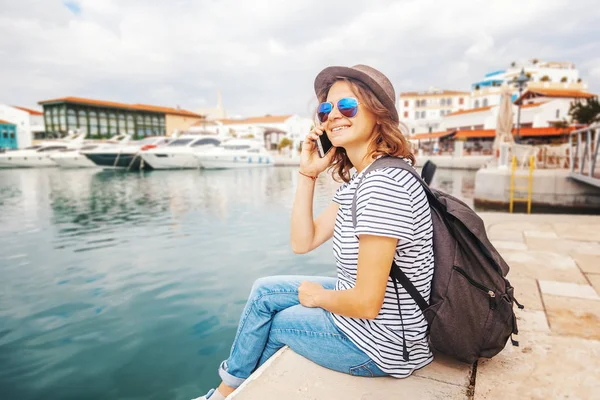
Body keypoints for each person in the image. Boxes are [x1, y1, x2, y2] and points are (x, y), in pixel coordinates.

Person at [193, 65, 434, 400]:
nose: (333, 116)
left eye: (347, 106)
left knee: (277, 324)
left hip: (382, 345)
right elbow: (302, 242)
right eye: (326, 109)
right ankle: (225, 392)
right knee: (265, 292)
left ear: (379, 115)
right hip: (371, 321)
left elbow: (366, 303)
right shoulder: (360, 181)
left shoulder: (383, 185)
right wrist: (307, 175)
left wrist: (317, 298)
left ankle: (222, 396)